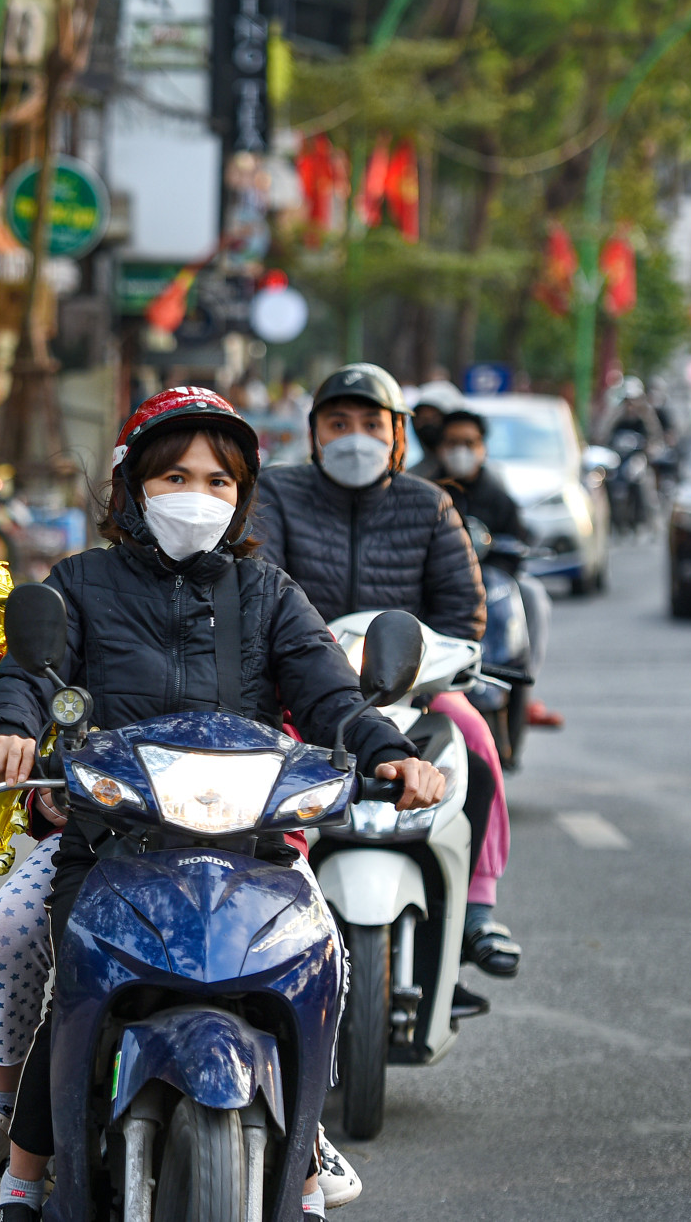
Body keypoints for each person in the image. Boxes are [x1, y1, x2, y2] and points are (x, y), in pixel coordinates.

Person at [0, 387, 447, 1221]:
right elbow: (28, 676)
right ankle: (14, 1145)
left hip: (250, 842)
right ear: (133, 485)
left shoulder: (269, 593)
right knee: (17, 934)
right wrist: (10, 731)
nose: (198, 495)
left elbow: (329, 694)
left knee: (324, 952)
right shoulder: (80, 582)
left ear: (242, 494)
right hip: (110, 837)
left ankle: (305, 1131)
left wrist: (389, 750)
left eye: (219, 480)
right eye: (176, 474)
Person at [252, 363, 523, 984]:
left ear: (398, 435)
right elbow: (260, 593)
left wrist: (426, 666)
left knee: (475, 747)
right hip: (301, 692)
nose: (355, 437)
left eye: (372, 424)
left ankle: (478, 905)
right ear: (314, 431)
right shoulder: (275, 495)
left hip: (414, 689)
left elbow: (463, 613)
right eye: (338, 423)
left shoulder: (430, 505)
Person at [431, 409, 562, 729]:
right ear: (440, 447)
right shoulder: (427, 493)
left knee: (532, 596)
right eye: (452, 442)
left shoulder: (499, 496)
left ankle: (524, 682)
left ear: (482, 447)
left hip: (493, 582)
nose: (460, 450)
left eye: (468, 442)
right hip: (439, 584)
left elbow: (516, 547)